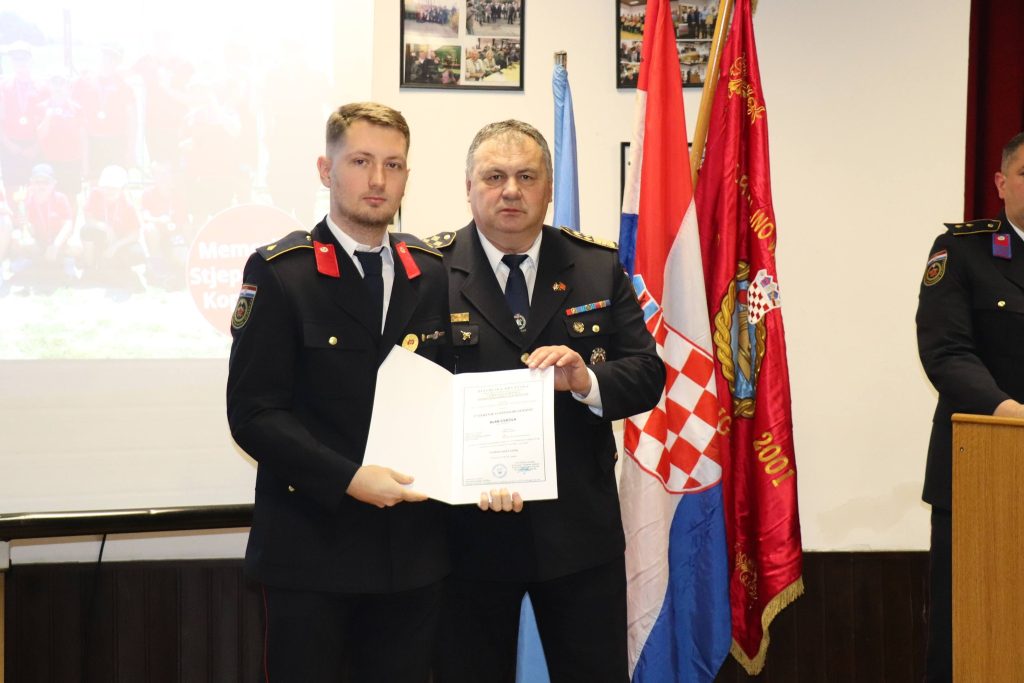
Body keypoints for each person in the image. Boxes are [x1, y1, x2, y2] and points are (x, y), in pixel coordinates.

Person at [428, 120, 665, 682]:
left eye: (527, 176)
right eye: (494, 176)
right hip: (464, 536)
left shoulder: (596, 266)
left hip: (577, 534)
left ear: (550, 188)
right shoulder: (429, 271)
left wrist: (586, 380)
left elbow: (647, 374)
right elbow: (407, 393)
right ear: (468, 186)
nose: (511, 190)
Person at [226, 102, 452, 683]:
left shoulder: (431, 271)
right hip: (311, 552)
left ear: (406, 176)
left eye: (393, 165)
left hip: (411, 557)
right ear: (326, 171)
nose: (378, 180)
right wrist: (348, 478)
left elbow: (451, 395)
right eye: (360, 161)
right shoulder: (282, 272)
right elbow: (253, 413)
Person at [916, 130, 1024, 682]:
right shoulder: (962, 251)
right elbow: (947, 352)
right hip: (982, 468)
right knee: (969, 636)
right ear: (1002, 183)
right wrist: (1011, 413)